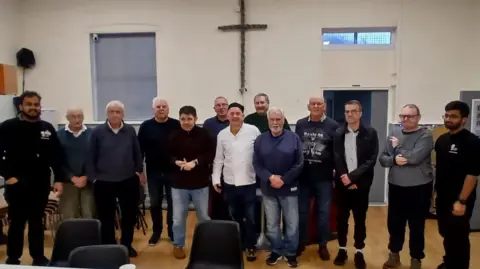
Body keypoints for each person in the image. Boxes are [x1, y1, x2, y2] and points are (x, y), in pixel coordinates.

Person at [0, 91, 64, 265]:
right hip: (16, 184)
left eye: (36, 104)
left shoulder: (47, 128)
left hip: (41, 183)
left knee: (37, 222)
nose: (33, 107)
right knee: (17, 222)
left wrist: (58, 179)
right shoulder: (7, 127)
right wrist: (8, 176)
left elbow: (57, 156)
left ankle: (38, 256)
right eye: (29, 104)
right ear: (21, 106)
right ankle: (13, 257)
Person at [87, 100, 146, 258]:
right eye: (112, 112)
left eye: (118, 112)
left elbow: (137, 153)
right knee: (106, 217)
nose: (115, 114)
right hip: (103, 182)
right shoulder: (97, 131)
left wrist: (138, 171)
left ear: (123, 114)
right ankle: (109, 246)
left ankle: (126, 245)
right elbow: (90, 156)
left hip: (127, 180)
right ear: (107, 114)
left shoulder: (130, 130)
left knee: (129, 216)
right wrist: (93, 178)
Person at [379, 104, 434, 269]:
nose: (405, 119)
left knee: (417, 225)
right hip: (396, 186)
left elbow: (415, 158)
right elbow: (383, 158)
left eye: (410, 116)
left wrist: (398, 148)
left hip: (419, 187)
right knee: (395, 223)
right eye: (403, 116)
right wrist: (393, 160)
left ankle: (416, 258)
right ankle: (394, 255)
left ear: (418, 117)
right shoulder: (394, 134)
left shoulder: (425, 135)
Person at [253, 107, 304, 267]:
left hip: (289, 189)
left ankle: (290, 253)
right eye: (272, 120)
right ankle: (276, 250)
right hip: (269, 189)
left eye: (278, 119)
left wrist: (284, 179)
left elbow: (299, 163)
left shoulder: (294, 138)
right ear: (268, 121)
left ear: (283, 120)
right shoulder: (260, 140)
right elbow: (257, 164)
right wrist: (270, 177)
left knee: (292, 224)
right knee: (272, 224)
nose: (275, 123)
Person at [332, 100, 378, 269]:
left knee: (360, 220)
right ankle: (342, 249)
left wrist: (353, 178)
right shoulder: (338, 133)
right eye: (347, 111)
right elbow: (336, 157)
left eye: (353, 111)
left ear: (360, 113)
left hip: (361, 185)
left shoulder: (370, 133)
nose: (349, 114)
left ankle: (359, 251)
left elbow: (371, 159)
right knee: (341, 219)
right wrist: (345, 178)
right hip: (343, 184)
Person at [212, 102, 260, 261]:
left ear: (243, 115)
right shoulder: (222, 134)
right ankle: (237, 244)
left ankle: (251, 246)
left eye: (237, 113)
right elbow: (219, 159)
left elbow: (261, 153)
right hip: (230, 182)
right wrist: (215, 179)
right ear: (227, 116)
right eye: (231, 113)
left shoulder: (253, 131)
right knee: (234, 216)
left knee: (251, 217)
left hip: (249, 182)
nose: (234, 116)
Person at [434, 101, 480, 269]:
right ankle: (450, 261)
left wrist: (461, 201)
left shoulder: (472, 142)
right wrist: (435, 194)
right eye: (446, 115)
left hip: (460, 199)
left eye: (453, 116)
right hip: (443, 198)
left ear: (464, 119)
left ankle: (459, 266)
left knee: (459, 236)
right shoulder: (441, 140)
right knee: (446, 233)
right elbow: (439, 170)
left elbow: (472, 175)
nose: (448, 119)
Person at [295, 96, 339, 259]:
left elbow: (337, 151)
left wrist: (336, 171)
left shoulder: (333, 125)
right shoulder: (300, 124)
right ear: (308, 106)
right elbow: (295, 148)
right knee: (302, 212)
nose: (315, 106)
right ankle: (301, 242)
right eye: (313, 104)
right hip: (304, 178)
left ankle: (322, 244)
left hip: (324, 178)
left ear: (324, 107)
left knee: (323, 213)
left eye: (319, 104)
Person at [168, 105, 215, 259]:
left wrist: (195, 162)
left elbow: (210, 154)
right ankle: (178, 245)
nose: (186, 122)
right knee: (178, 218)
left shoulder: (204, 134)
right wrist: (176, 162)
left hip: (200, 183)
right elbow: (166, 155)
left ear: (195, 118)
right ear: (179, 119)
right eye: (183, 119)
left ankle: (206, 244)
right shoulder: (173, 135)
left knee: (204, 217)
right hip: (179, 184)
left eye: (189, 119)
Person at [138, 97, 180, 245]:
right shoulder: (146, 126)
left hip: (173, 171)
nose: (161, 109)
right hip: (153, 171)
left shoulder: (176, 125)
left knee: (172, 202)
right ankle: (156, 231)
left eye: (164, 106)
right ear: (153, 109)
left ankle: (171, 231)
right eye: (158, 107)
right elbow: (139, 150)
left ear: (168, 109)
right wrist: (140, 171)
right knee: (155, 202)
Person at [58, 108, 95, 219]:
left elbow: (97, 157)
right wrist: (71, 177)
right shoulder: (59, 135)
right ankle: (71, 237)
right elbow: (57, 160)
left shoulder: (92, 134)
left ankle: (89, 236)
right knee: (69, 215)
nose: (77, 119)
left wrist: (86, 176)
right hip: (68, 181)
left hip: (89, 181)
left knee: (89, 214)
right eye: (73, 116)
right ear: (67, 118)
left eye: (80, 116)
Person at [203, 96, 231, 221]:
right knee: (215, 198)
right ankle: (216, 226)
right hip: (214, 167)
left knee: (230, 198)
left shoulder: (235, 121)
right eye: (218, 105)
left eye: (224, 105)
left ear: (228, 106)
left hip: (232, 167)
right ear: (214, 108)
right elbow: (204, 146)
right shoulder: (208, 124)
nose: (221, 107)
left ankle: (232, 225)